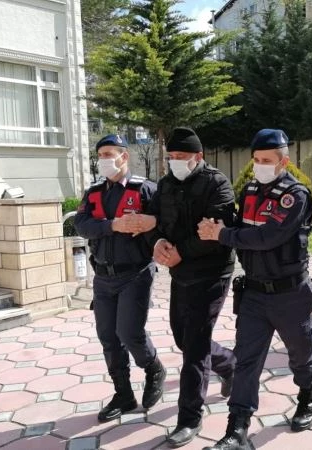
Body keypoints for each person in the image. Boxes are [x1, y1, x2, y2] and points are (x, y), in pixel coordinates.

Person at [198, 129, 312, 450]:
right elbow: (240, 229)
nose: (260, 166)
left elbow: (269, 237)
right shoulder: (250, 190)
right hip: (253, 293)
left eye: (267, 160)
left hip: (290, 294)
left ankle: (307, 395)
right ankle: (236, 430)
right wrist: (215, 227)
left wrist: (221, 234)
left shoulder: (294, 196)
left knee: (301, 354)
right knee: (246, 361)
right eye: (256, 160)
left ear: (283, 162)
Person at [136, 127, 236, 448]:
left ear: (199, 157)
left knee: (194, 346)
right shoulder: (165, 185)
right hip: (181, 273)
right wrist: (158, 243)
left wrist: (181, 250)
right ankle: (230, 365)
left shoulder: (217, 184)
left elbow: (215, 231)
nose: (175, 162)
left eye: (182, 156)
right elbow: (152, 221)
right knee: (184, 338)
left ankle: (189, 417)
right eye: (172, 157)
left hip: (211, 272)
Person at [74, 134, 165, 423]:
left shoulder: (145, 189)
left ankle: (154, 369)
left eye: (109, 154)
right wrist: (114, 225)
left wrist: (150, 225)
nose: (103, 160)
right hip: (103, 277)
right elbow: (82, 224)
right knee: (108, 338)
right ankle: (123, 394)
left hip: (135, 273)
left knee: (129, 332)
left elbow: (164, 222)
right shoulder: (94, 192)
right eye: (100, 155)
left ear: (124, 156)